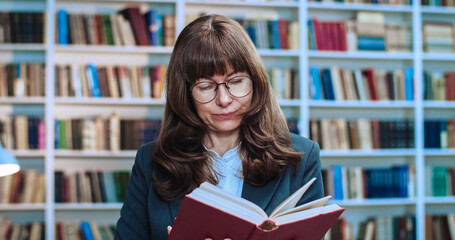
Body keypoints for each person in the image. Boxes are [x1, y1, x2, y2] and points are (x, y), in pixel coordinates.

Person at [114, 14, 323, 240]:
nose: (224, 99)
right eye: (206, 86)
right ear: (185, 93)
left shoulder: (301, 157)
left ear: (255, 82)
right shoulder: (150, 162)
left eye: (236, 82)